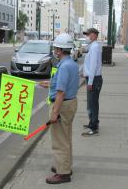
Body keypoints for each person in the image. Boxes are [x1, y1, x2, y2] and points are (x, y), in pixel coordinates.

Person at [39, 33, 79, 184]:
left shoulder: (63, 67)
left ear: (60, 50)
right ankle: (64, 166)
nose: (54, 50)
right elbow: (64, 85)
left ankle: (63, 174)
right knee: (65, 138)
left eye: (56, 48)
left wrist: (54, 113)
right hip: (71, 103)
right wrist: (48, 84)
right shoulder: (72, 64)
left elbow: (61, 93)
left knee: (60, 141)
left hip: (62, 105)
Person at [82, 28, 103, 136]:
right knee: (91, 103)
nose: (87, 37)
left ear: (94, 35)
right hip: (93, 78)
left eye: (88, 34)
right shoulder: (93, 46)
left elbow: (93, 65)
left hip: (94, 80)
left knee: (93, 104)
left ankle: (94, 128)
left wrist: (90, 82)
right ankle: (92, 123)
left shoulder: (94, 47)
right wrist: (84, 73)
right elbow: (89, 64)